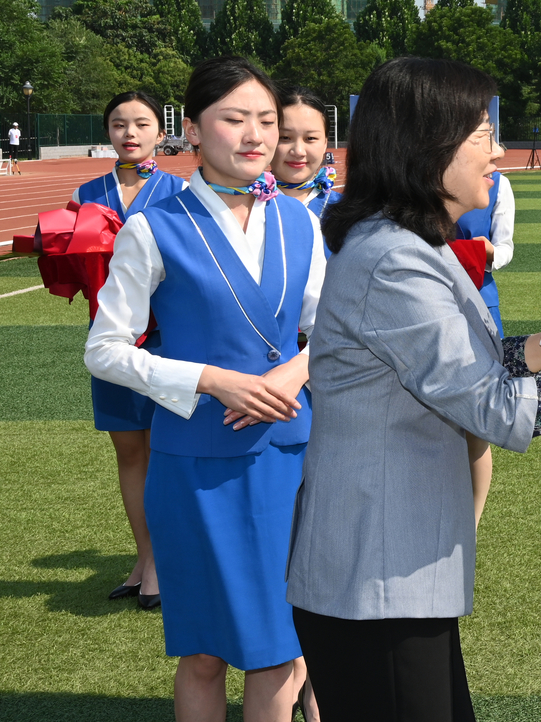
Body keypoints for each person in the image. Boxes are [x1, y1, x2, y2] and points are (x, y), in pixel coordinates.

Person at [286, 56, 541, 722]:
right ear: (427, 146)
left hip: (397, 577)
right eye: (481, 134)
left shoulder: (416, 242)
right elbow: (498, 412)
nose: (497, 151)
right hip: (374, 582)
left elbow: (456, 370)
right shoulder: (393, 259)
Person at [85, 56, 323, 722]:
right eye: (234, 119)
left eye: (267, 121)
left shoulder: (301, 223)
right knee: (203, 654)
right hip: (194, 468)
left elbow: (331, 326)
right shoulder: (154, 227)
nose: (256, 136)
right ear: (191, 129)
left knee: (278, 649)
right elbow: (103, 349)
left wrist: (294, 371)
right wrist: (210, 380)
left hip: (289, 462)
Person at [71, 91, 189, 608]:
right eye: (119, 124)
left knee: (164, 452)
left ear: (159, 132)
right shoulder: (87, 190)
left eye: (141, 123)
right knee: (129, 452)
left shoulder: (179, 191)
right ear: (108, 132)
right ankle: (143, 558)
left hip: (165, 340)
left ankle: (166, 562)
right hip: (113, 338)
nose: (130, 133)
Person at [455, 141, 515, 336]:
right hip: (428, 294)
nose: (498, 151)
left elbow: (504, 247)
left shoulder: (498, 184)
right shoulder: (421, 183)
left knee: (494, 362)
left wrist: (490, 252)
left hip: (480, 293)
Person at [272, 85, 339, 221]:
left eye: (310, 138)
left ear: (325, 143)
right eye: (284, 137)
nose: (298, 152)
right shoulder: (242, 207)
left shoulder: (344, 210)